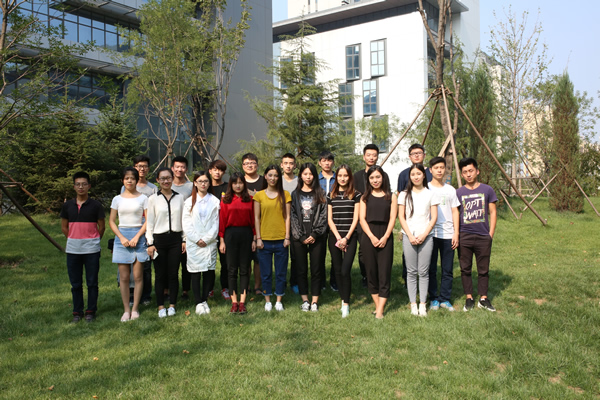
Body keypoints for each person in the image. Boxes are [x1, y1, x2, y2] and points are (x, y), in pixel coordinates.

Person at [61, 171, 105, 323]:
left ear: (89, 186)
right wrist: (73, 238)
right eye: (78, 184)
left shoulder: (96, 205)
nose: (81, 187)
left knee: (92, 282)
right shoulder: (68, 206)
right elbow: (64, 227)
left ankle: (91, 311)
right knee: (75, 283)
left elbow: (102, 227)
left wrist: (94, 240)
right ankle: (77, 312)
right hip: (73, 249)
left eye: (84, 184)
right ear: (74, 186)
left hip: (92, 249)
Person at [456, 158, 498, 312]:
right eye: (465, 172)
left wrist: (490, 234)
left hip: (483, 236)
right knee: (465, 268)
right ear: (462, 174)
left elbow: (493, 212)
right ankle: (469, 298)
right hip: (464, 236)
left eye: (471, 171)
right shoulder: (459, 192)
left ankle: (483, 298)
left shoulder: (487, 190)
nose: (468, 174)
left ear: (477, 171)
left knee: (483, 269)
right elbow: (455, 214)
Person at [398, 164, 439, 317]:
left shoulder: (430, 194)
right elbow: (401, 216)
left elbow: (433, 217)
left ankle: (422, 304)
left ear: (424, 175)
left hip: (426, 236)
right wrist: (409, 235)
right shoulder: (404, 194)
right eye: (413, 174)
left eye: (418, 173)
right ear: (410, 177)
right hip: (409, 236)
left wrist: (424, 234)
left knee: (423, 271)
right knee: (411, 272)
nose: (416, 177)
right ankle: (413, 304)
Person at [109, 167, 149, 322]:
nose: (130, 181)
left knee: (138, 276)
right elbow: (112, 221)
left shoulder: (143, 198)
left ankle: (135, 309)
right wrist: (121, 238)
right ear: (122, 181)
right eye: (127, 178)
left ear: (136, 180)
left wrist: (138, 237)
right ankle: (126, 310)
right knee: (124, 277)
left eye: (132, 178)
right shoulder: (117, 199)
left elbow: (148, 221)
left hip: (139, 236)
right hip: (122, 238)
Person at [146, 167, 185, 318]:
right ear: (158, 180)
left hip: (176, 239)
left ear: (172, 179)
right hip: (159, 240)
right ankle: (161, 306)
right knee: (160, 274)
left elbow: (183, 220)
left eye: (168, 178)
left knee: (173, 273)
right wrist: (150, 243)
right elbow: (150, 223)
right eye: (162, 178)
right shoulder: (153, 199)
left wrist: (184, 239)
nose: (166, 181)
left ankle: (172, 305)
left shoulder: (180, 197)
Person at [359, 165, 397, 319]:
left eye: (378, 177)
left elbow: (393, 218)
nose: (375, 180)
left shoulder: (391, 196)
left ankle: (380, 310)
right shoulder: (364, 197)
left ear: (383, 177)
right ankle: (377, 305)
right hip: (369, 237)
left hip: (385, 236)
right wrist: (371, 236)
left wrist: (385, 236)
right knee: (371, 272)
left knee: (384, 272)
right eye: (372, 178)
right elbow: (362, 219)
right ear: (368, 180)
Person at [120, 155, 156, 306]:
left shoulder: (153, 188)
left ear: (148, 168)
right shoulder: (125, 186)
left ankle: (146, 295)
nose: (142, 169)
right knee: (129, 263)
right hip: (129, 229)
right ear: (134, 167)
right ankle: (131, 294)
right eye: (139, 166)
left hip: (147, 229)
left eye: (145, 166)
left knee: (145, 263)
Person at [254, 165, 291, 312]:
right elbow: (257, 218)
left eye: (276, 175)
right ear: (265, 176)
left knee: (281, 273)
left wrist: (287, 237)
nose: (273, 178)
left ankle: (279, 300)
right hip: (264, 240)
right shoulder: (259, 196)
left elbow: (287, 217)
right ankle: (268, 300)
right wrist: (258, 238)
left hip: (281, 240)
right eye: (270, 175)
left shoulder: (285, 194)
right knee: (266, 273)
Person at [182, 171, 220, 315]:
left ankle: (204, 300)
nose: (203, 184)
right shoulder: (188, 202)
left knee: (209, 271)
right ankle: (198, 302)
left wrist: (207, 238)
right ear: (195, 183)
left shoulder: (215, 201)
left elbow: (216, 222)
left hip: (209, 242)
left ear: (209, 183)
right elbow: (186, 223)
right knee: (195, 272)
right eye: (200, 181)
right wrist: (197, 239)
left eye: (205, 181)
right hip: (194, 242)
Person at [291, 163, 328, 312]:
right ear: (301, 175)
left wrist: (315, 234)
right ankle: (305, 300)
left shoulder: (321, 193)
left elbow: (324, 215)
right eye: (305, 174)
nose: (308, 177)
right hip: (299, 238)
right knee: (301, 269)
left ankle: (314, 301)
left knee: (316, 269)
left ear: (314, 176)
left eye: (311, 174)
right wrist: (300, 236)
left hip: (317, 237)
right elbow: (293, 215)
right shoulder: (295, 194)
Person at [397, 144, 433, 289]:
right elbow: (400, 197)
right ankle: (408, 282)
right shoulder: (403, 174)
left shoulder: (431, 172)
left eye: (419, 153)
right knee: (408, 255)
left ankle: (427, 285)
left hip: (427, 222)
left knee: (428, 257)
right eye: (413, 153)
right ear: (409, 156)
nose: (416, 155)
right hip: (409, 224)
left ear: (424, 155)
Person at [219, 172, 256, 314]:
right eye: (235, 183)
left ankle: (242, 301)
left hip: (246, 234)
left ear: (244, 184)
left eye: (240, 183)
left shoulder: (250, 200)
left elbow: (253, 221)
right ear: (231, 184)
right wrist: (222, 240)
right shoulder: (225, 200)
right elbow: (222, 221)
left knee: (245, 268)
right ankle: (234, 302)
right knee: (232, 268)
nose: (238, 185)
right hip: (230, 235)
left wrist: (254, 239)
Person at [327, 165, 360, 318]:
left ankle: (346, 303)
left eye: (345, 175)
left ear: (349, 177)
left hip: (350, 237)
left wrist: (346, 238)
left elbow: (356, 218)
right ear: (336, 177)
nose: (342, 178)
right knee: (338, 270)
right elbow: (329, 219)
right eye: (340, 175)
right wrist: (338, 237)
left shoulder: (356, 195)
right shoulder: (330, 195)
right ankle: (343, 299)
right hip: (334, 237)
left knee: (345, 270)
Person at [427, 157, 460, 312]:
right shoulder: (426, 189)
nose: (439, 170)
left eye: (442, 167)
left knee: (447, 270)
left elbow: (455, 211)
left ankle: (445, 299)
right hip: (431, 234)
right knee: (431, 268)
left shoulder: (450, 190)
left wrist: (456, 233)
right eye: (436, 168)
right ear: (430, 170)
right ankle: (433, 298)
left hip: (448, 234)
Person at [353, 144, 385, 289]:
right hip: (361, 218)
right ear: (364, 156)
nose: (371, 157)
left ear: (377, 157)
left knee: (379, 247)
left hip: (378, 217)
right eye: (369, 155)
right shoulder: (357, 176)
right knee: (363, 249)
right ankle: (366, 275)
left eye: (374, 155)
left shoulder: (382, 175)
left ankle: (379, 275)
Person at [242, 152, 265, 295]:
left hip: (261, 223)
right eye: (246, 163)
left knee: (258, 258)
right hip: (243, 223)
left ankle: (257, 286)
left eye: (252, 163)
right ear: (242, 166)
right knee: (245, 258)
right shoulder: (239, 181)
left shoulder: (263, 181)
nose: (249, 165)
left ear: (257, 165)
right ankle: (246, 286)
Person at [171, 155, 193, 301]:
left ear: (186, 169)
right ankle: (168, 289)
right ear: (172, 168)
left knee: (186, 262)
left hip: (187, 228)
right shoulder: (167, 184)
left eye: (183, 167)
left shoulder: (191, 186)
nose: (180, 169)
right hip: (171, 228)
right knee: (171, 263)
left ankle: (185, 290)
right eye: (177, 167)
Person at [209, 159, 231, 301]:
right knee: (209, 261)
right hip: (208, 230)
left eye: (221, 170)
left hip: (225, 229)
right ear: (210, 170)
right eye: (215, 169)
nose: (218, 172)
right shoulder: (205, 186)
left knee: (226, 261)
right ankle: (209, 288)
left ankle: (225, 288)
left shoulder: (228, 187)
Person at [318, 151, 337, 292]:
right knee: (320, 253)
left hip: (335, 219)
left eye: (329, 160)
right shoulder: (315, 179)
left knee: (335, 252)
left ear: (333, 162)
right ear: (320, 163)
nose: (327, 163)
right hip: (319, 219)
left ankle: (335, 281)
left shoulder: (339, 178)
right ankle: (321, 281)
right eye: (324, 160)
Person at [280, 153, 299, 294]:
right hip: (279, 222)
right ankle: (281, 283)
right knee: (281, 256)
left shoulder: (300, 181)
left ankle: (295, 282)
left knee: (295, 256)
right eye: (285, 163)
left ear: (295, 165)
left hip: (296, 223)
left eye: (291, 163)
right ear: (281, 165)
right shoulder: (276, 180)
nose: (288, 166)